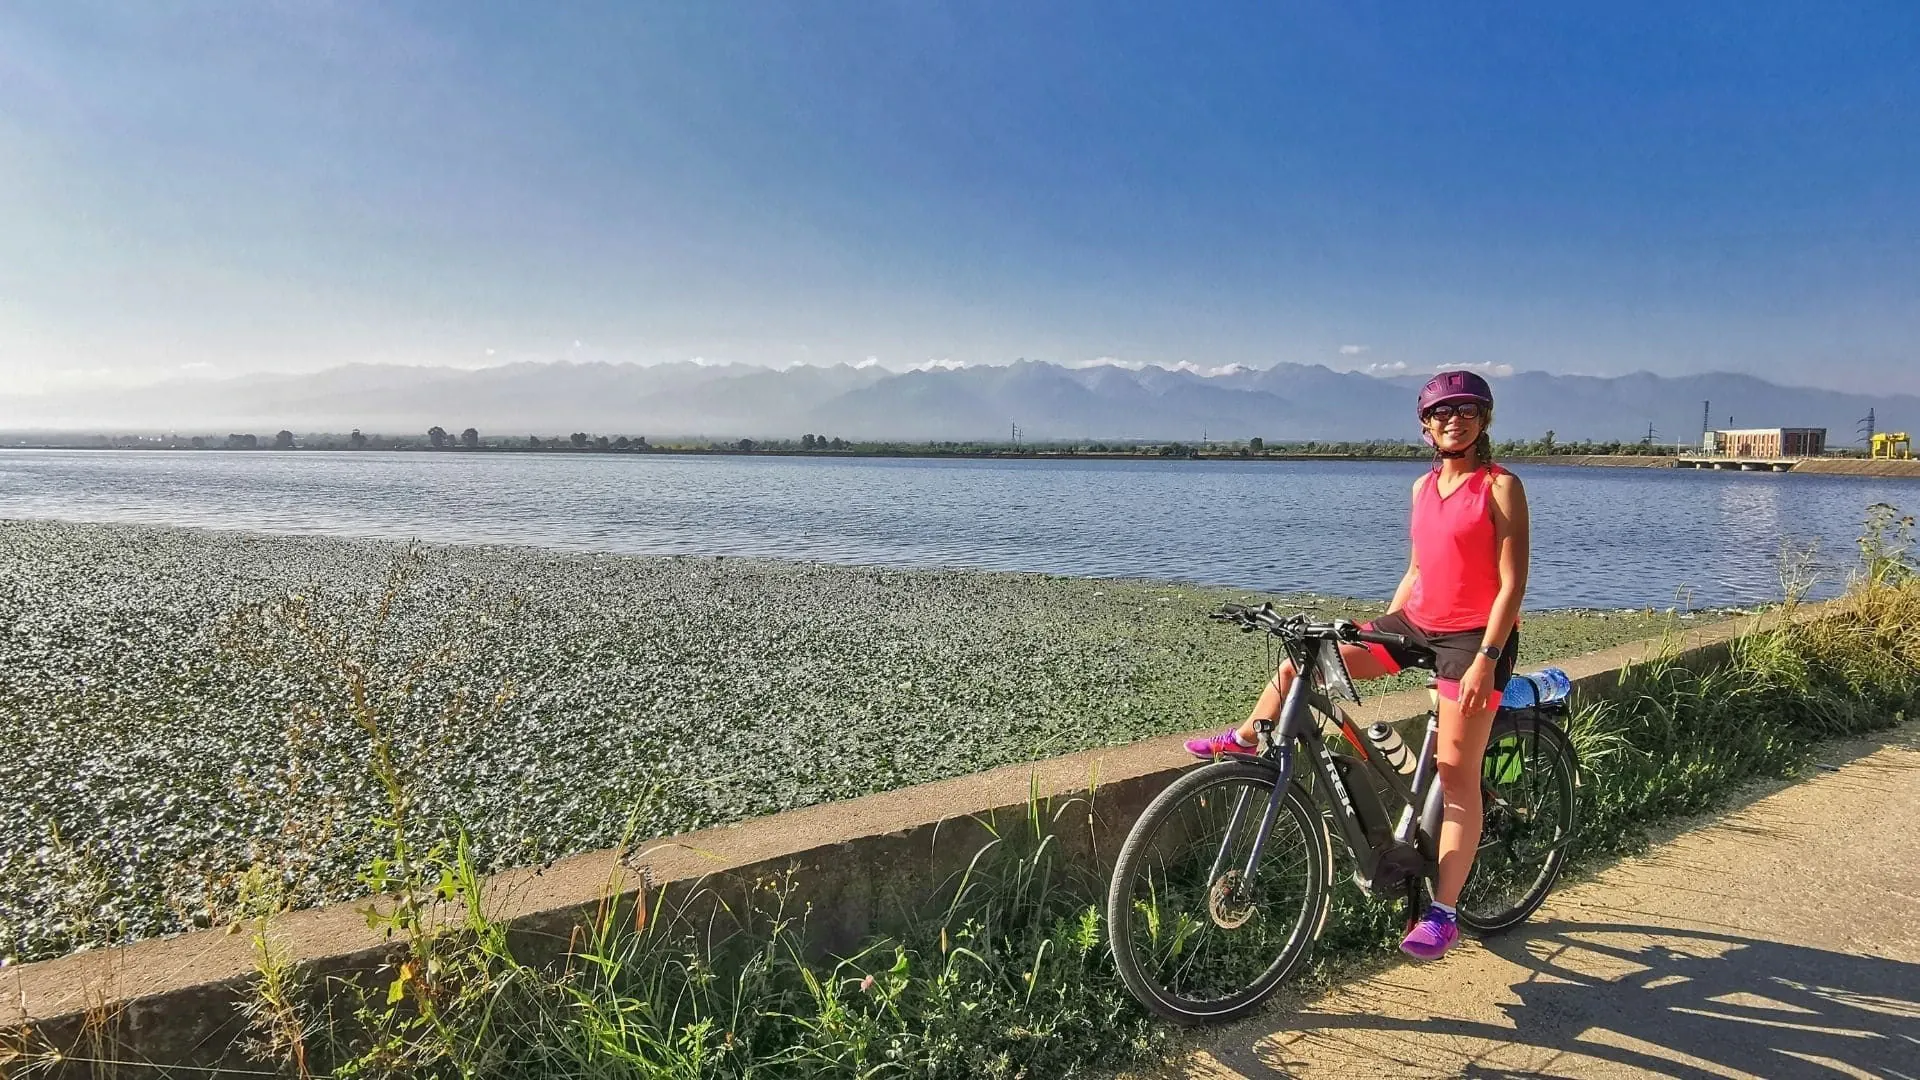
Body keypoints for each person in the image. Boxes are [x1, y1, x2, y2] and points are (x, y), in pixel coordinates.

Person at [1184, 369, 1530, 961]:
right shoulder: (1423, 490)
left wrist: (1486, 661)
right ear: (1426, 426)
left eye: (1467, 410)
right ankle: (1247, 738)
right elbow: (1419, 571)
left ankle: (1443, 914)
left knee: (1455, 773)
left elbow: (1511, 585)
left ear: (1483, 420)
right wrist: (1377, 629)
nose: (1454, 420)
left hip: (1474, 639)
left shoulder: (1500, 486)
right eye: (1442, 413)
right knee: (1305, 661)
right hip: (1417, 623)